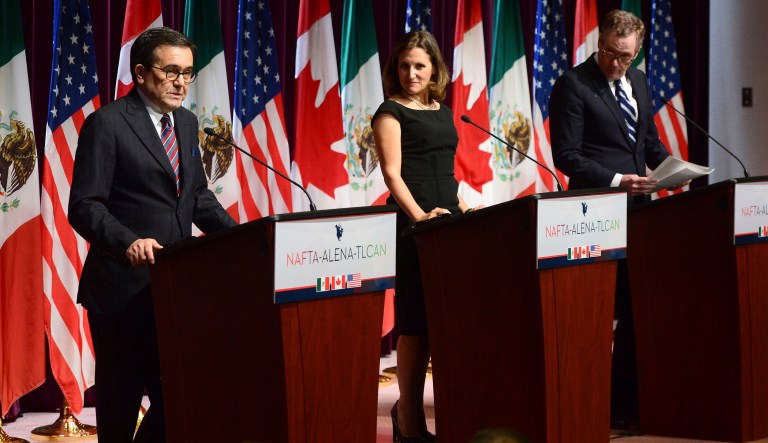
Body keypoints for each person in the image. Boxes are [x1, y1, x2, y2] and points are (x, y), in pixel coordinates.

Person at [68, 27, 237, 442]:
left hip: (176, 286)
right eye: (171, 71)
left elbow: (196, 197)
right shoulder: (106, 124)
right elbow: (85, 205)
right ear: (141, 73)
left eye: (188, 73)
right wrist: (129, 241)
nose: (181, 82)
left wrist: (244, 238)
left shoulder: (186, 121)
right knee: (121, 401)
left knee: (180, 392)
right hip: (123, 289)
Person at [549, 9, 675, 428]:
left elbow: (649, 143)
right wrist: (620, 179)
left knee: (637, 309)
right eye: (608, 51)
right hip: (593, 213)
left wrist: (680, 171)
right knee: (593, 313)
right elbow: (567, 156)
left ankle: (625, 406)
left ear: (637, 54)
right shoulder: (573, 84)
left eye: (625, 56)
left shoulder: (637, 81)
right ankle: (582, 403)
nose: (615, 62)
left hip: (640, 215)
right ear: (599, 40)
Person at [372, 31, 473, 442]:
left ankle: (411, 412)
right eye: (404, 66)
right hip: (414, 227)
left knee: (438, 323)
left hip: (447, 226)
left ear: (435, 70)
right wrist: (419, 219)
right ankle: (409, 416)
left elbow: (445, 172)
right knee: (415, 325)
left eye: (420, 66)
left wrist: (464, 209)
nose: (411, 73)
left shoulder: (443, 111)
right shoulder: (390, 111)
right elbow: (393, 175)